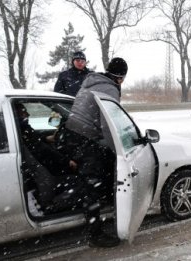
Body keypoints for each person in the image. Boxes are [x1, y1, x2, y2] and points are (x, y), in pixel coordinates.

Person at [63, 57, 128, 248]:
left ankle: (90, 206)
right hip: (86, 138)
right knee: (91, 183)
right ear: (121, 77)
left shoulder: (91, 82)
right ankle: (95, 234)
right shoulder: (110, 89)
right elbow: (108, 124)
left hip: (72, 134)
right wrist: (119, 150)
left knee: (87, 179)